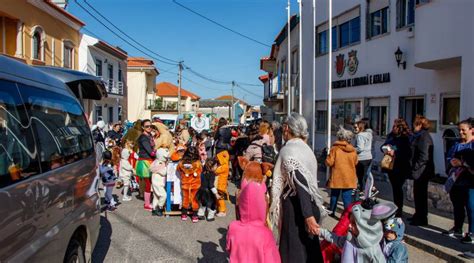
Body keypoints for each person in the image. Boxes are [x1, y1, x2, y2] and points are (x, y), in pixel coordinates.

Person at [270, 112, 325, 263]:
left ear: (287, 128)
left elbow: (300, 183)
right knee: (311, 251)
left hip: (297, 210)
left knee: (293, 254)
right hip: (310, 204)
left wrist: (307, 216)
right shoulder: (306, 149)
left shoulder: (289, 150)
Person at [316, 197, 398, 263]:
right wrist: (319, 231)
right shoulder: (350, 239)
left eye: (354, 224)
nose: (349, 225)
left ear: (365, 227)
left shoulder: (372, 250)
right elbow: (334, 238)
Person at [227, 175, 280, 263]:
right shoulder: (266, 233)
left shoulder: (233, 227)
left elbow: (229, 248)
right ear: (261, 206)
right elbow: (273, 259)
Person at [443, 118, 473, 238]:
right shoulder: (456, 145)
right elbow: (449, 158)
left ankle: (471, 233)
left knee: (471, 207)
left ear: (472, 130)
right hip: (456, 180)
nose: (460, 132)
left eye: (463, 130)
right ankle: (457, 228)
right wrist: (452, 162)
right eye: (459, 130)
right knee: (457, 206)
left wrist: (462, 163)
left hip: (470, 181)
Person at [382, 119, 412, 217]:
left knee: (398, 188)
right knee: (395, 187)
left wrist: (394, 151)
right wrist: (385, 148)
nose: (393, 128)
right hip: (390, 165)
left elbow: (406, 151)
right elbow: (384, 145)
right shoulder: (391, 136)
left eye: (395, 126)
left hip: (400, 166)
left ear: (400, 127)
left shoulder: (405, 138)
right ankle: (396, 207)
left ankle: (399, 209)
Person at [326, 127, 358, 216]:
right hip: (349, 177)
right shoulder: (353, 150)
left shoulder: (334, 149)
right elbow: (356, 162)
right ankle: (347, 216)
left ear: (339, 137)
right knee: (347, 198)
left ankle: (332, 211)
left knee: (334, 195)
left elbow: (329, 162)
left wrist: (327, 157)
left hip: (337, 176)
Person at [409, 115, 435, 226]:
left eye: (415, 124)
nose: (413, 126)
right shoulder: (418, 136)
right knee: (417, 194)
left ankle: (422, 218)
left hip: (422, 171)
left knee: (421, 195)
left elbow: (424, 156)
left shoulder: (424, 137)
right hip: (419, 170)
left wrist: (415, 167)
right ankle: (418, 214)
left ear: (420, 125)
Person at [178, 146, 202, 223]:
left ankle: (184, 214)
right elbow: (200, 170)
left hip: (185, 183)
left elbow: (178, 169)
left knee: (186, 198)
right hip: (195, 184)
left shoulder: (181, 162)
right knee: (195, 199)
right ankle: (194, 215)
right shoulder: (198, 163)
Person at [136, 119, 156, 211]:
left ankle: (150, 201)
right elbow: (150, 151)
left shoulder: (149, 136)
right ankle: (147, 204)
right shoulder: (143, 137)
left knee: (151, 182)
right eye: (147, 126)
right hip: (145, 162)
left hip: (150, 161)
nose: (149, 128)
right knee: (148, 183)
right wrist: (157, 153)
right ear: (143, 127)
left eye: (150, 126)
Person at [353, 119, 373, 192]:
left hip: (361, 158)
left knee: (360, 178)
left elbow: (360, 148)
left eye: (356, 127)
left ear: (360, 127)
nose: (354, 129)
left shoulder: (360, 135)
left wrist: (351, 149)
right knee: (366, 176)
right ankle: (369, 190)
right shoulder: (369, 134)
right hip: (369, 157)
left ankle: (362, 192)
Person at [151, 148, 169, 216]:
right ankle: (159, 207)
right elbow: (164, 172)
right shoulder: (160, 163)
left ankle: (154, 209)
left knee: (156, 196)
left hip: (155, 182)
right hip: (158, 183)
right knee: (163, 195)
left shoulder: (156, 161)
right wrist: (166, 166)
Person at [215, 150, 230, 217]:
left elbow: (216, 171)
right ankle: (219, 209)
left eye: (218, 158)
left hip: (221, 185)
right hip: (220, 184)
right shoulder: (224, 165)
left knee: (220, 198)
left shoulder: (224, 166)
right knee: (218, 197)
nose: (217, 160)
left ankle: (223, 211)